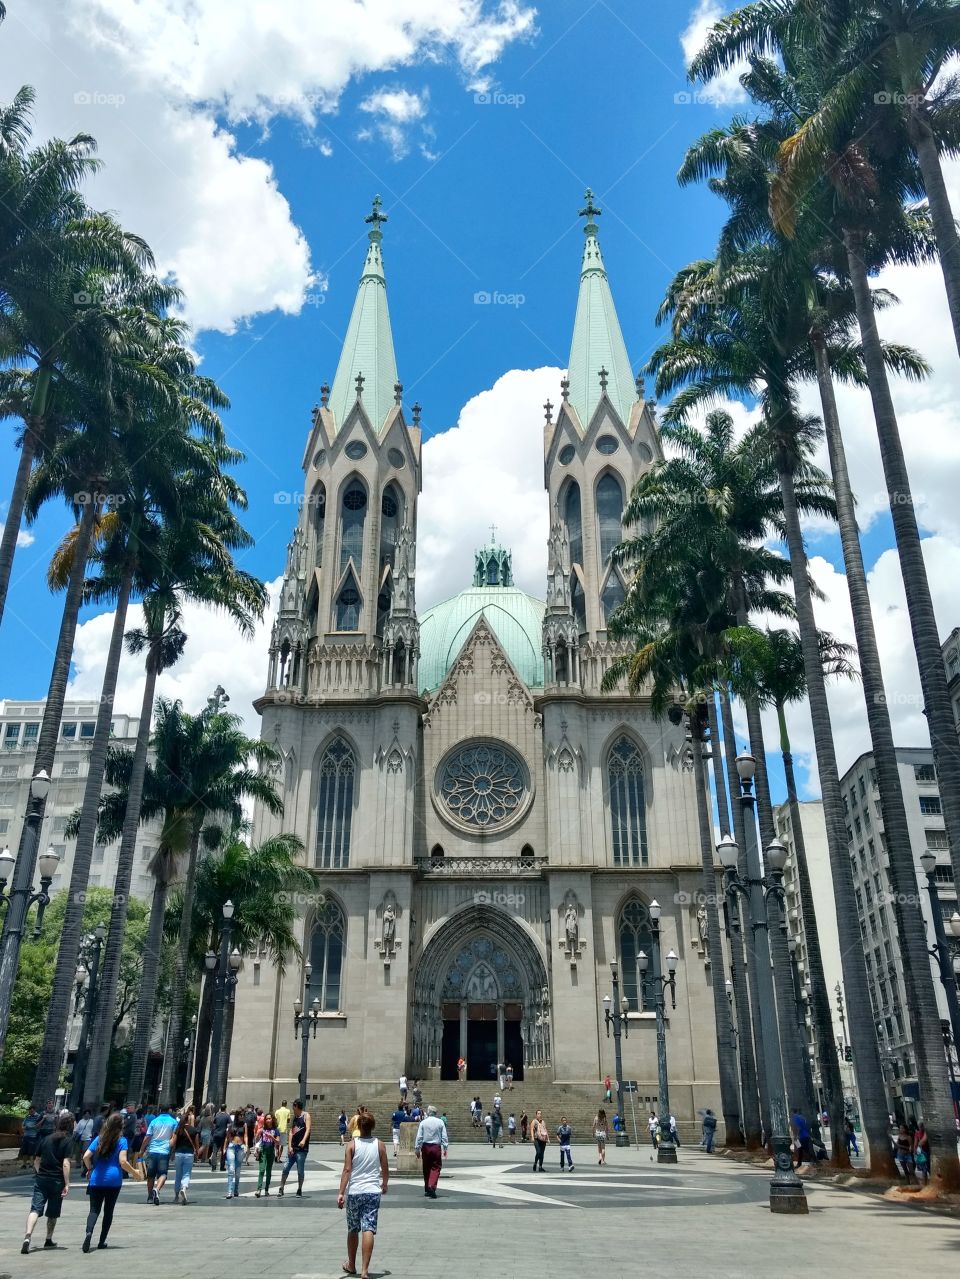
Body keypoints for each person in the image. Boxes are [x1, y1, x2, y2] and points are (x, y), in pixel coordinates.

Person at [338, 1110, 389, 1279]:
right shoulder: (380, 1145)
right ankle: (365, 1271)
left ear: (358, 1126)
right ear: (373, 1127)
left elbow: (347, 1169)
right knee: (369, 1228)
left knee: (353, 1228)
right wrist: (385, 1183)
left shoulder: (351, 1145)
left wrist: (341, 1192)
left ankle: (351, 1265)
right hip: (373, 1192)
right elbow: (385, 1168)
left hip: (355, 1192)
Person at [82, 1111, 143, 1250]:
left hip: (96, 1179)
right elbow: (123, 1161)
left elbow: (86, 1156)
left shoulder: (99, 1139)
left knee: (94, 1210)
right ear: (121, 1126)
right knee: (108, 1211)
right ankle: (101, 1241)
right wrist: (135, 1173)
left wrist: (90, 1169)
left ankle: (89, 1233)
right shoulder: (122, 1141)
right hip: (113, 1180)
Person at [22, 1110, 73, 1254]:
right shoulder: (68, 1140)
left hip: (42, 1178)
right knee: (53, 1212)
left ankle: (27, 1237)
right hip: (57, 1181)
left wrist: (39, 1173)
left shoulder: (46, 1139)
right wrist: (67, 1183)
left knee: (35, 1209)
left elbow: (36, 1160)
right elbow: (66, 1163)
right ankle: (48, 1238)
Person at [140, 1103, 177, 1204]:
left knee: (150, 1175)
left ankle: (149, 1197)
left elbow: (147, 1137)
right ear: (169, 1110)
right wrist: (173, 1151)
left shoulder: (154, 1121)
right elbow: (174, 1138)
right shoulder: (173, 1122)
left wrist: (142, 1149)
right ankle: (157, 1189)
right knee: (163, 1174)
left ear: (160, 1110)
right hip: (165, 1151)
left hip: (152, 1150)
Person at [414, 1105, 449, 1199]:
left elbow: (419, 1137)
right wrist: (445, 1148)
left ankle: (427, 1188)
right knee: (436, 1167)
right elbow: (444, 1136)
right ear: (436, 1113)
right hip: (436, 1147)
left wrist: (417, 1148)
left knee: (426, 1168)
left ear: (428, 1112)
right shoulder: (440, 1122)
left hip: (425, 1146)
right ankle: (431, 1186)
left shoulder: (423, 1122)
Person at [279, 1099, 311, 1196]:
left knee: (300, 1170)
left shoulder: (306, 1116)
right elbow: (291, 1132)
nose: (292, 1108)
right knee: (285, 1168)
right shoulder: (294, 1117)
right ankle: (281, 1187)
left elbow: (308, 1129)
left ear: (297, 1106)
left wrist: (303, 1140)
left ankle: (299, 1189)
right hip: (293, 1148)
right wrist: (289, 1146)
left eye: (293, 1106)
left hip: (302, 1149)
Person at [173, 1107, 199, 1205]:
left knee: (178, 1174)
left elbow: (174, 1142)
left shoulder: (178, 1129)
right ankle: (184, 1187)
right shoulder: (193, 1130)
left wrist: (172, 1153)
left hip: (178, 1153)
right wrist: (197, 1151)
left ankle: (176, 1196)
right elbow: (196, 1144)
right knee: (186, 1173)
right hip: (189, 1154)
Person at [256, 1113, 281, 1196]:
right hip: (263, 1151)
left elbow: (278, 1142)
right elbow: (256, 1140)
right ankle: (259, 1189)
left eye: (269, 1118)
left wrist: (272, 1137)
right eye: (266, 1119)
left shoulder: (276, 1130)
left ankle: (266, 1189)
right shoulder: (263, 1129)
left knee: (269, 1171)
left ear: (272, 1119)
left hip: (271, 1152)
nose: (268, 1120)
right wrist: (257, 1134)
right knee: (261, 1170)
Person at [224, 1120, 247, 1199]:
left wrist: (246, 1145)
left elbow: (246, 1135)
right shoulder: (231, 1125)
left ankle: (236, 1189)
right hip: (231, 1147)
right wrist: (224, 1147)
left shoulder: (244, 1125)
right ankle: (229, 1191)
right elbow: (227, 1137)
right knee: (231, 1169)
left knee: (237, 1172)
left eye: (242, 1115)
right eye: (240, 1115)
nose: (241, 1116)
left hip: (240, 1147)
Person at [210, 1103, 230, 1171]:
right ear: (225, 1108)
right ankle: (222, 1166)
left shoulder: (217, 1115)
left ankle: (213, 1166)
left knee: (215, 1151)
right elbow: (230, 1124)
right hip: (223, 1135)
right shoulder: (227, 1116)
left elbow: (213, 1123)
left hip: (216, 1134)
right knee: (223, 1150)